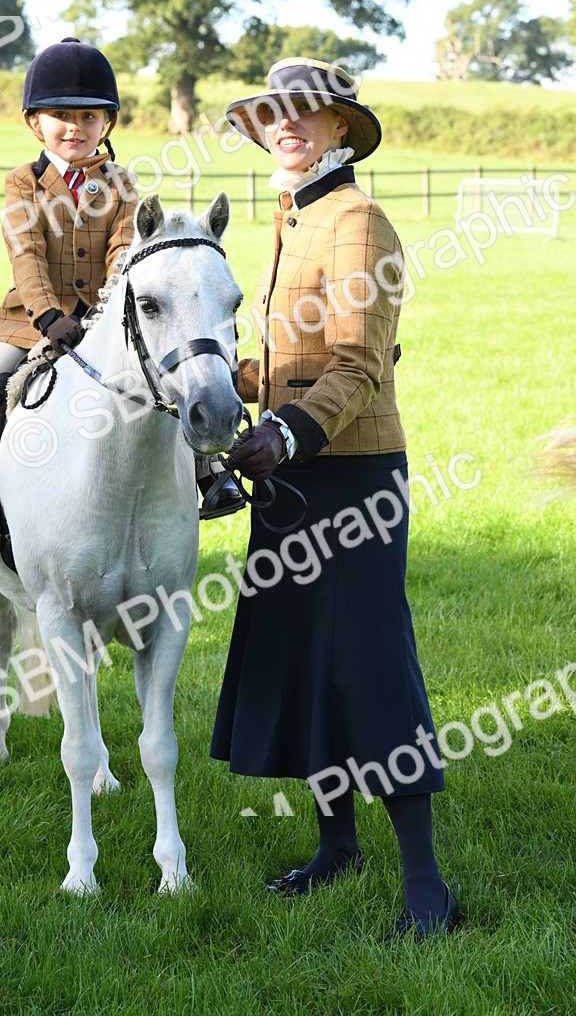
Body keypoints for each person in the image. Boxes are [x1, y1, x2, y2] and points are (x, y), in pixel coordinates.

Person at [210, 58, 461, 938]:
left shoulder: (356, 221)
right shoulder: (294, 215)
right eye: (273, 114)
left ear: (341, 128)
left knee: (367, 665)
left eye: (306, 112)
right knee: (304, 661)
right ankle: (337, 847)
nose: (286, 125)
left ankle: (427, 883)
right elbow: (295, 361)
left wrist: (285, 433)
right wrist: (219, 378)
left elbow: (358, 364)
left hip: (352, 476)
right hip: (294, 473)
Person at [0, 37, 137, 550]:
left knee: (167, 369)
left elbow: (123, 251)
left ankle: (208, 472)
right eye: (62, 115)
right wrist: (49, 316)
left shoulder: (122, 184)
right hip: (32, 320)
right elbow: (24, 253)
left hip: (103, 319)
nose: (76, 127)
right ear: (35, 123)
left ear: (107, 123)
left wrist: (103, 314)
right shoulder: (22, 182)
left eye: (89, 116)